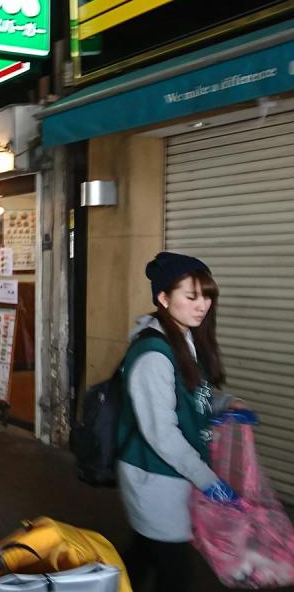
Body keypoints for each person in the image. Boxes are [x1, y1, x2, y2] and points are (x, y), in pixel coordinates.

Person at [117, 252, 251, 592]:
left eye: (206, 295)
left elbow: (193, 394)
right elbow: (161, 433)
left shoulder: (184, 339)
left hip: (171, 474)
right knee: (174, 571)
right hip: (154, 476)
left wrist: (225, 404)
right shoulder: (153, 354)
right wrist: (208, 481)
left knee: (146, 553)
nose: (202, 304)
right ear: (163, 298)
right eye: (191, 296)